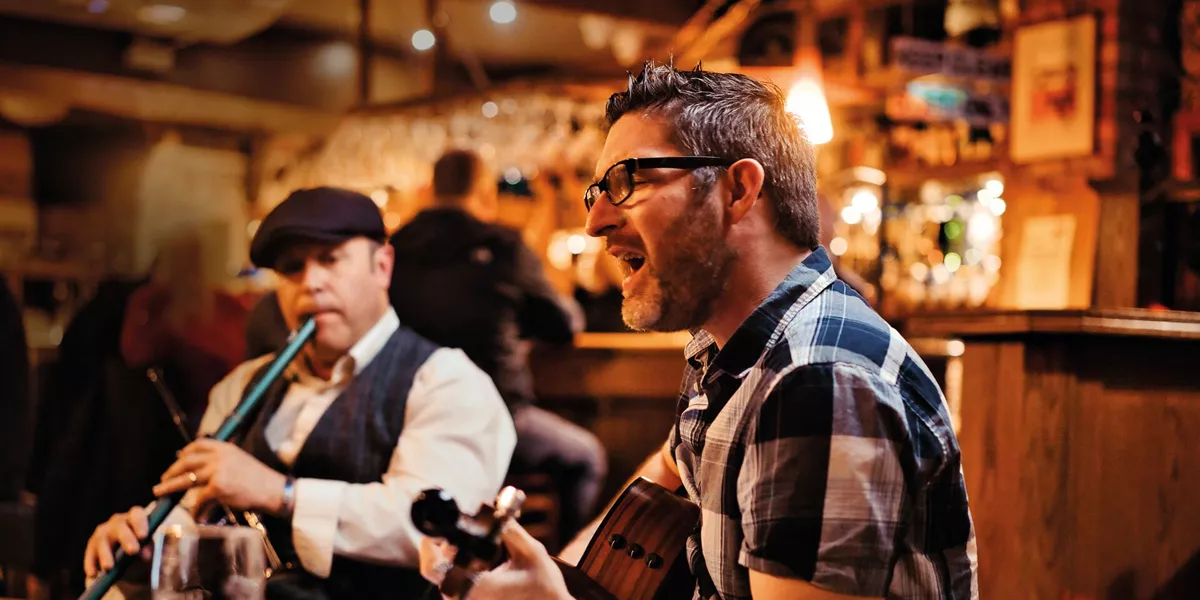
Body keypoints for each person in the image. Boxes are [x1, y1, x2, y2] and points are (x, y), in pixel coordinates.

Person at [420, 62, 978, 600]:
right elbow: (668, 469)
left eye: (627, 181)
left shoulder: (817, 384)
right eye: (597, 192)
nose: (594, 224)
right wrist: (552, 575)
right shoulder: (729, 348)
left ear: (737, 191)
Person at [82, 187, 516, 599]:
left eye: (330, 259)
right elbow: (196, 514)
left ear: (382, 266)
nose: (310, 282)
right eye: (292, 267)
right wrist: (152, 547)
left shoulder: (447, 382)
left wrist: (279, 493)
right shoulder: (242, 385)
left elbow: (426, 530)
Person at [388, 149, 607, 548]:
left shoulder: (394, 247)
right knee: (585, 457)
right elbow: (563, 326)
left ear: (431, 190)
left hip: (408, 421)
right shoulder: (501, 244)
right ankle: (565, 570)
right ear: (484, 191)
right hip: (498, 417)